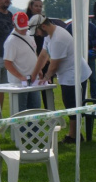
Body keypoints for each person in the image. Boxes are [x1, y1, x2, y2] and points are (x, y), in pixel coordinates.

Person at [30, 15, 92, 143]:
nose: (37, 34)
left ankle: (74, 136)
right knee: (69, 104)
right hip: (67, 73)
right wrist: (34, 74)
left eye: (37, 31)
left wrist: (46, 77)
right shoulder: (49, 35)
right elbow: (43, 55)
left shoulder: (58, 38)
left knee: (71, 105)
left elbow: (54, 64)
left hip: (74, 74)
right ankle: (75, 135)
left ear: (43, 26)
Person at [2, 13, 40, 112]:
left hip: (33, 79)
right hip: (18, 83)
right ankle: (20, 128)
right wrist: (20, 77)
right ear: (14, 25)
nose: (23, 29)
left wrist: (38, 69)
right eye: (21, 27)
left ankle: (35, 128)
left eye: (24, 27)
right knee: (20, 111)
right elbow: (7, 63)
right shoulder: (11, 41)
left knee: (35, 108)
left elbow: (34, 52)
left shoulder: (29, 35)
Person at [66, 19, 96, 98]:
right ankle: (79, 96)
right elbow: (66, 39)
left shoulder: (91, 26)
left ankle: (95, 95)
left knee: (93, 77)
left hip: (89, 55)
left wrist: (89, 44)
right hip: (75, 55)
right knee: (79, 77)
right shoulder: (70, 27)